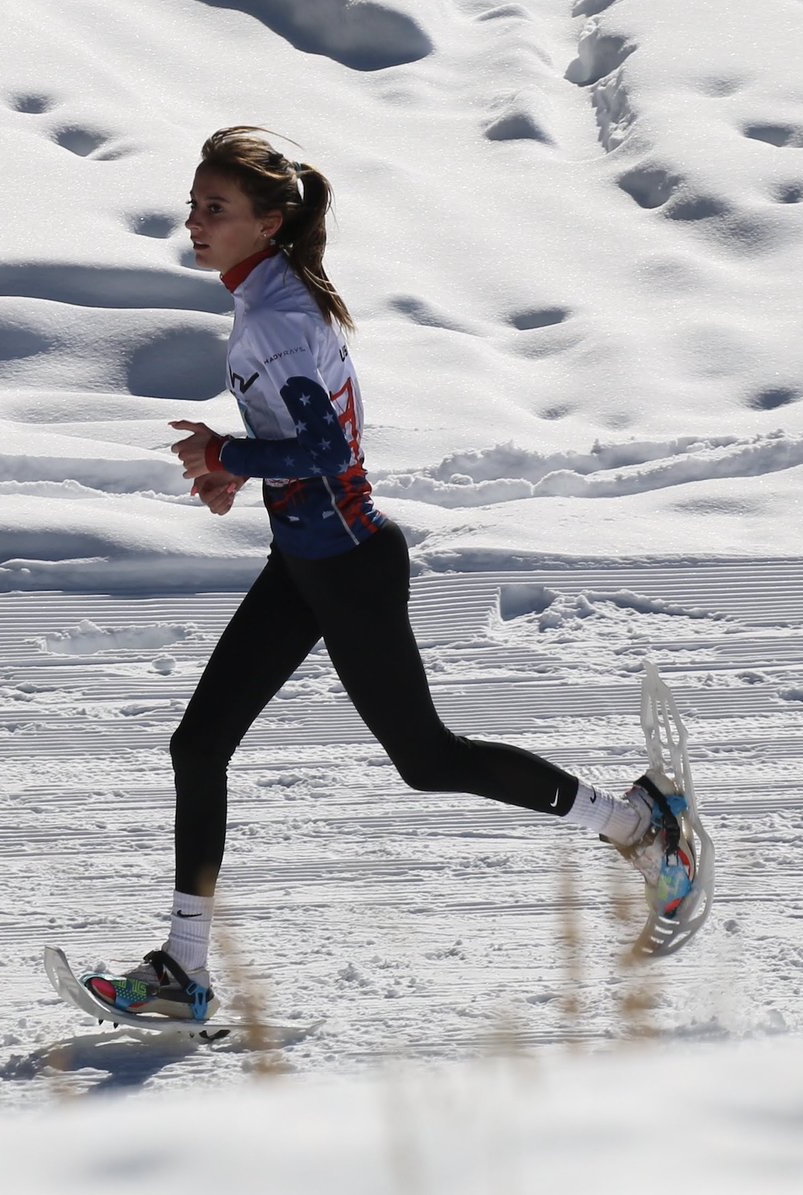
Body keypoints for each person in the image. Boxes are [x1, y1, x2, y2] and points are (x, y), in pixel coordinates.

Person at [82, 127, 697, 1022]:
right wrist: (236, 467)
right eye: (194, 204)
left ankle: (640, 824)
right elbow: (306, 441)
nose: (195, 222)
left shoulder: (279, 316)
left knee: (428, 759)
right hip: (307, 561)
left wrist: (228, 454)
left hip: (348, 569)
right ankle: (183, 967)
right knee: (199, 744)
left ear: (268, 221)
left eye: (215, 208)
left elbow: (329, 450)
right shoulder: (269, 296)